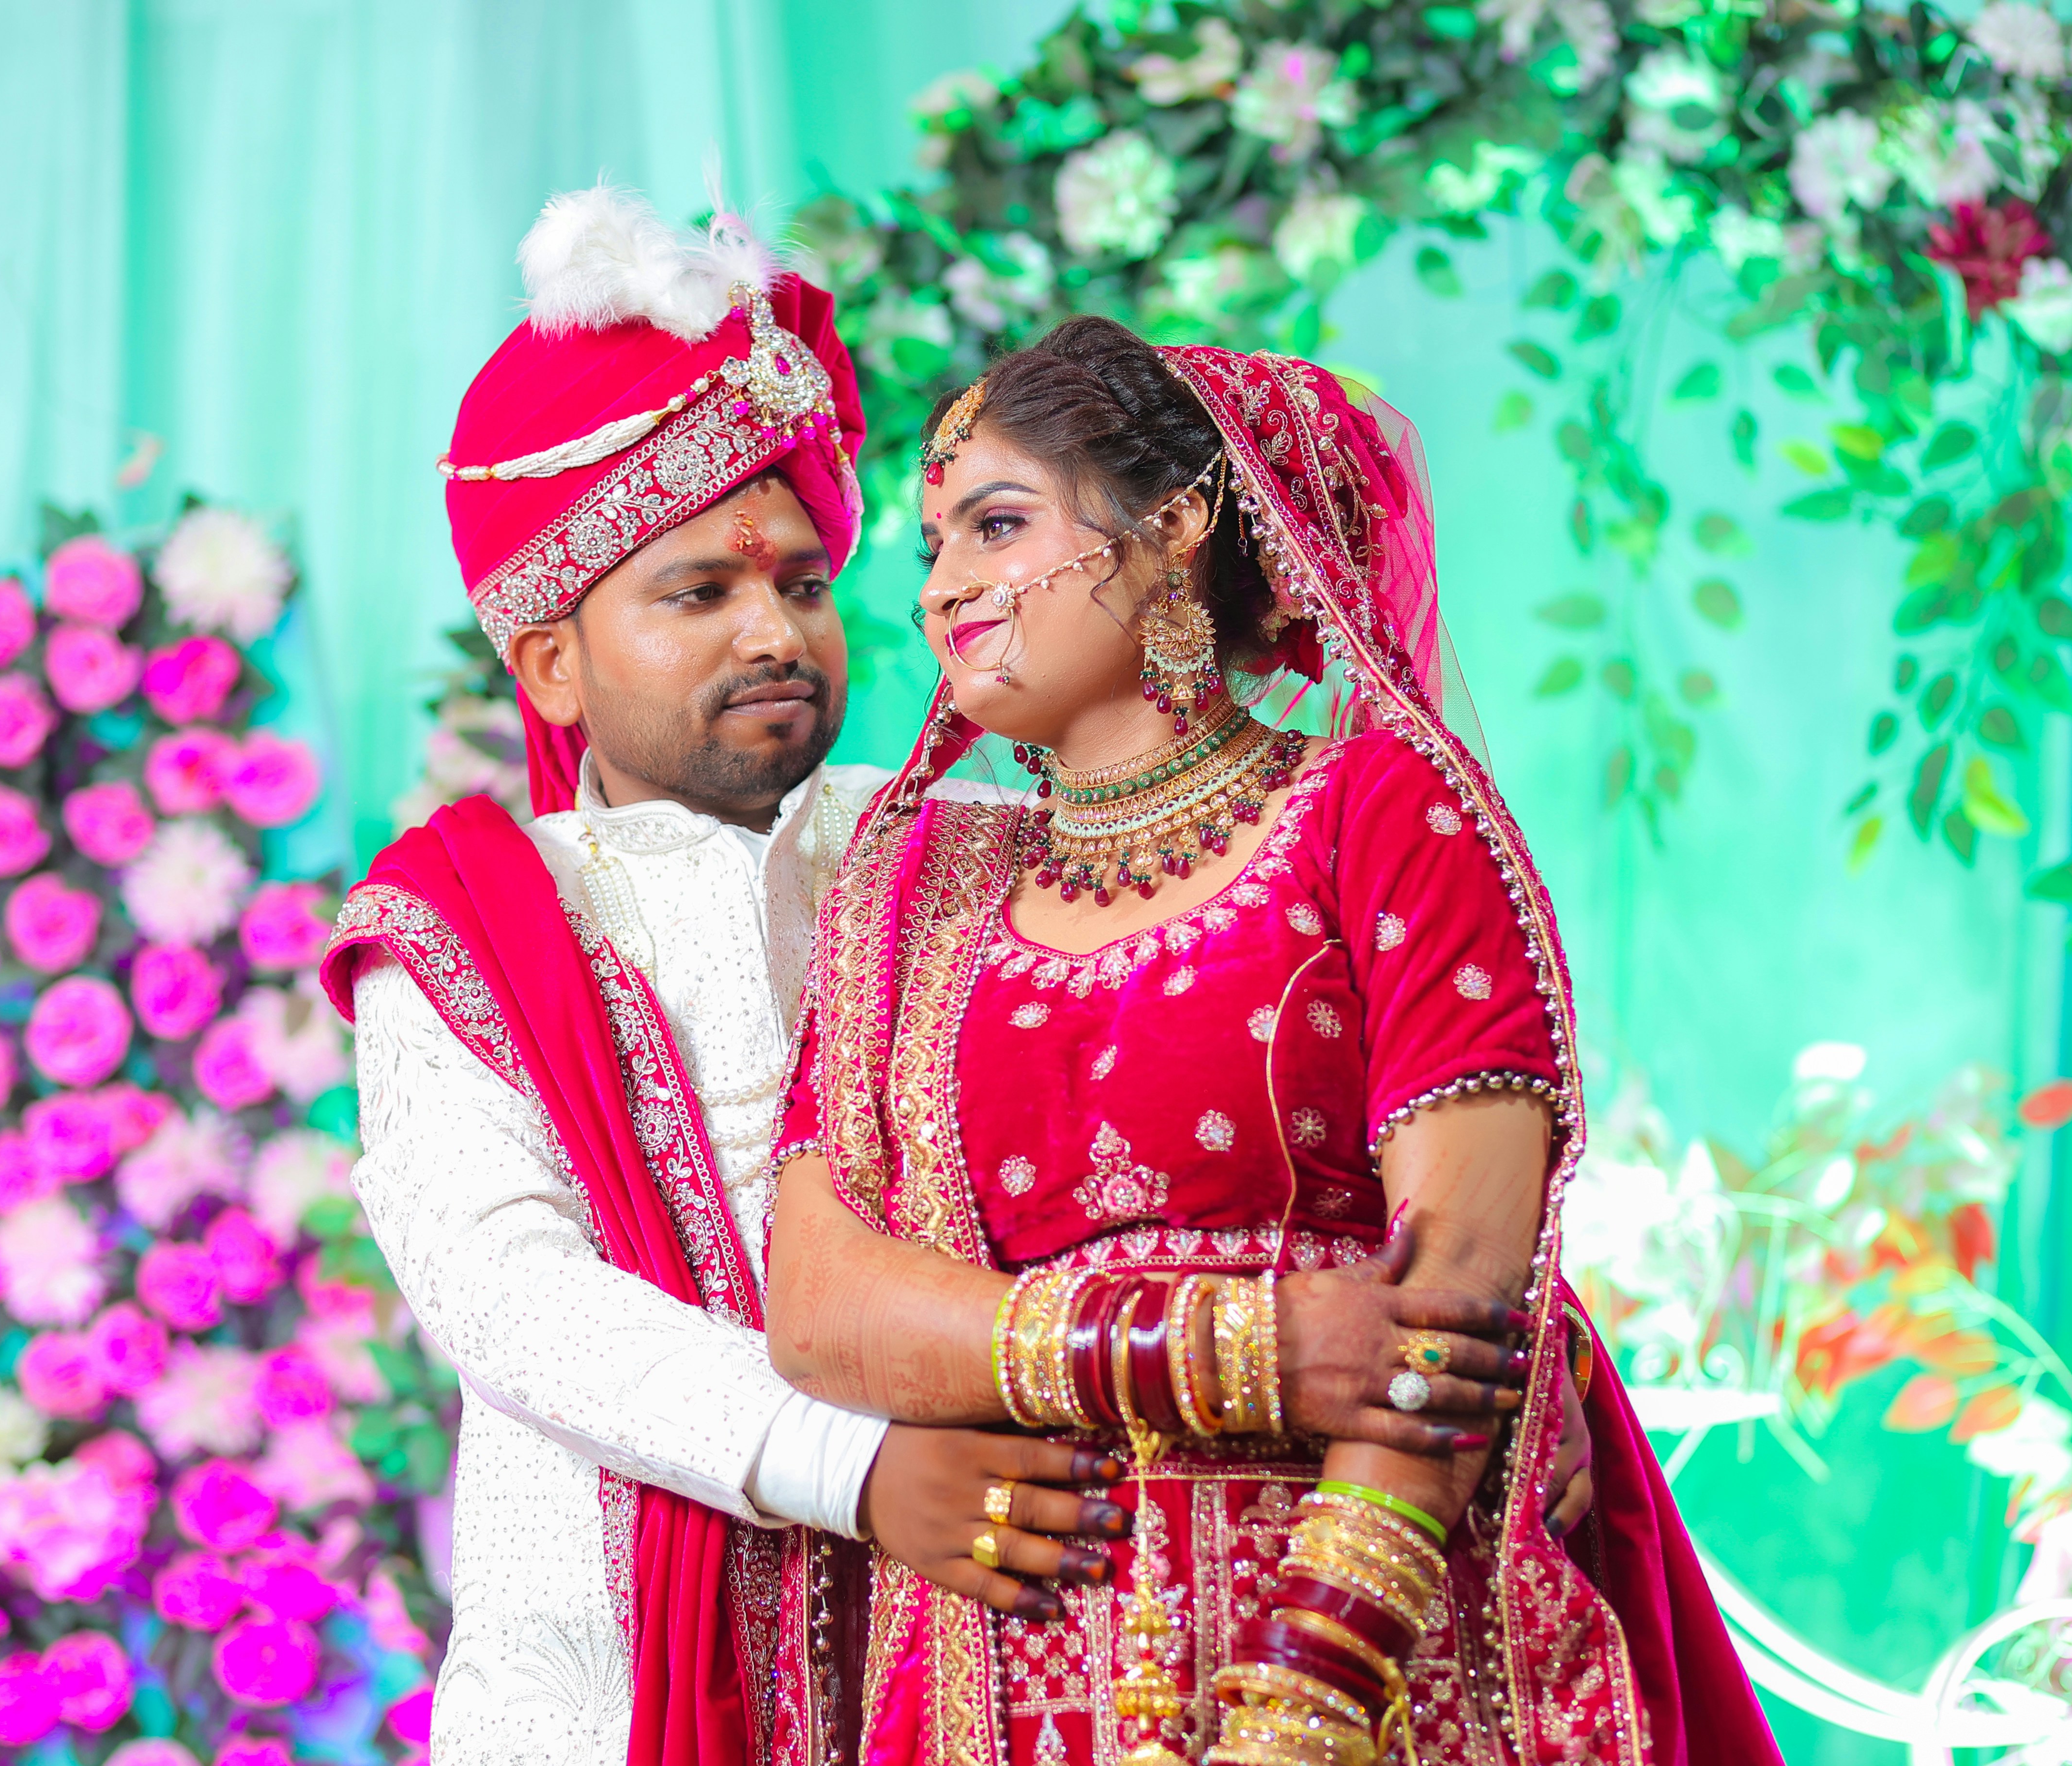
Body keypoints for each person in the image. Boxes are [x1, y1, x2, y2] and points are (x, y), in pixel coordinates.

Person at [318, 191, 1561, 1766]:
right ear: (553, 663)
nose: (775, 633)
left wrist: (1511, 1379)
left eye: (804, 586)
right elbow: (514, 1300)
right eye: (701, 595)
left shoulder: (968, 849)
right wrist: (854, 1465)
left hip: (1021, 1630)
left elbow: (1294, 1112)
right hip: (620, 1661)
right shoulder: (460, 931)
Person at [764, 319, 1778, 1765]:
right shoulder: (913, 888)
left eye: (996, 526)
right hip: (1005, 1683)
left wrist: (1313, 1684)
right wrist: (1237, 1345)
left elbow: (1457, 1302)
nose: (939, 591)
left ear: (1174, 528)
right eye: (932, 549)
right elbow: (819, 1309)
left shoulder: (1382, 814)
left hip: (1365, 1664)